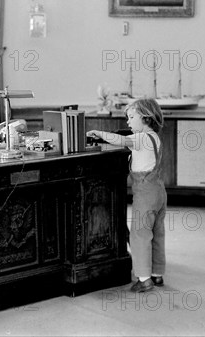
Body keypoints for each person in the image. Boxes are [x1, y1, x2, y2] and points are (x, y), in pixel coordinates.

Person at [86, 98, 166, 293]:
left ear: (146, 118)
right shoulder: (154, 137)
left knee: (140, 235)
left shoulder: (140, 139)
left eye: (131, 118)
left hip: (145, 192)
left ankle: (144, 279)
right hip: (159, 191)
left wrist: (98, 133)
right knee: (157, 234)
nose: (128, 122)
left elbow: (122, 140)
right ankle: (156, 273)